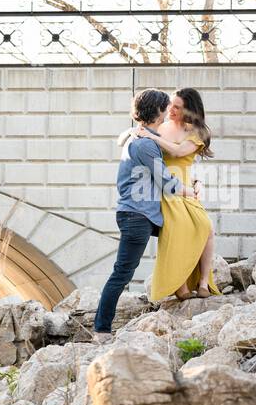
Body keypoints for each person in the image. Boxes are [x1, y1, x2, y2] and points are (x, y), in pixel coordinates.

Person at [93, 89, 191, 343]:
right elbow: (164, 180)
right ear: (157, 111)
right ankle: (102, 330)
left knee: (187, 230)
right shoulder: (146, 143)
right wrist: (188, 191)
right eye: (165, 108)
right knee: (122, 273)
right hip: (138, 216)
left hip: (142, 214)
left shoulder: (138, 137)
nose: (168, 113)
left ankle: (182, 286)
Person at [140, 87, 219, 301]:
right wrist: (149, 135)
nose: (171, 109)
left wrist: (196, 181)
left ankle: (203, 282)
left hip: (186, 188)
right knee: (178, 229)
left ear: (189, 111)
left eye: (177, 107)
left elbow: (178, 153)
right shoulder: (160, 128)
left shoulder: (197, 132)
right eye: (171, 105)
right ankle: (180, 286)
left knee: (206, 227)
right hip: (167, 187)